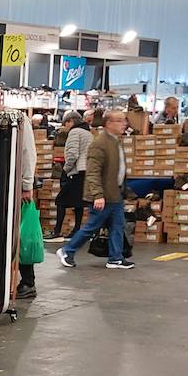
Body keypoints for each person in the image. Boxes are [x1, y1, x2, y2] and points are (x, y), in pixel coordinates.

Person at [56, 108, 135, 271]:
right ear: (109, 123)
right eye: (119, 120)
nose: (124, 124)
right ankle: (66, 251)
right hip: (103, 196)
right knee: (91, 227)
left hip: (115, 194)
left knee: (118, 226)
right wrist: (98, 195)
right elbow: (93, 172)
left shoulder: (115, 142)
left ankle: (115, 258)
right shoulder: (99, 144)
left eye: (124, 120)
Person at [0, 85, 38, 298]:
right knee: (1, 233)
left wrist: (26, 185)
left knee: (16, 234)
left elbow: (27, 153)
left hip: (14, 186)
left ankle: (27, 281)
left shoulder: (18, 121)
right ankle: (0, 279)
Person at [52, 111, 92, 242]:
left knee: (60, 201)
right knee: (79, 203)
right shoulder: (88, 133)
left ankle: (57, 232)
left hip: (75, 172)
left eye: (66, 123)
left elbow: (72, 154)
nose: (66, 126)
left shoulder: (75, 132)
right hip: (85, 172)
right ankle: (76, 231)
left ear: (71, 121)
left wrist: (66, 169)